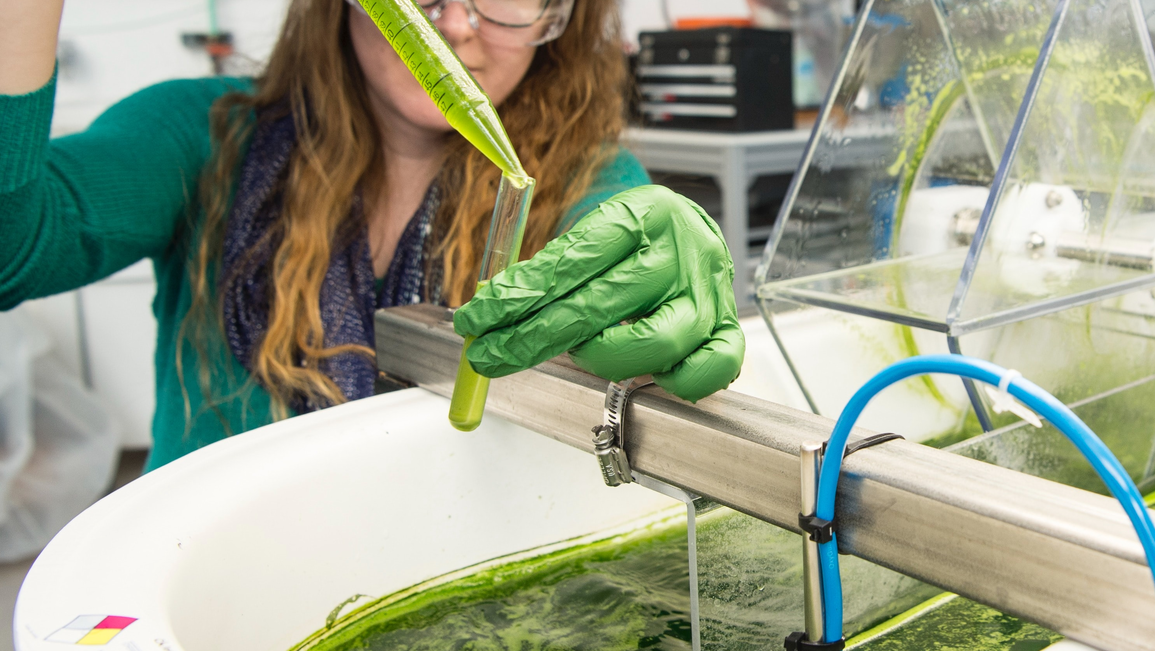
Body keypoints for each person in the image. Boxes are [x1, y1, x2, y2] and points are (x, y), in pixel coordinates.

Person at [0, 0, 744, 473]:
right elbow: (13, 249)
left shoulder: (587, 178)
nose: (457, 25)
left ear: (561, 19)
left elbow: (621, 247)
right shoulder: (198, 137)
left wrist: (668, 265)